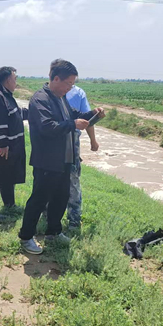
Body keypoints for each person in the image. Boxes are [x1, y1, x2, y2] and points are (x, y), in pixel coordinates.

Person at [19, 59, 104, 254]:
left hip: (64, 159)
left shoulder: (61, 98)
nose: (70, 88)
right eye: (69, 83)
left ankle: (54, 232)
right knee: (39, 199)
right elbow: (47, 127)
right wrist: (73, 124)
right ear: (56, 78)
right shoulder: (40, 99)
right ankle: (26, 237)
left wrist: (94, 114)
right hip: (47, 160)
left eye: (72, 84)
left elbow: (75, 115)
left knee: (60, 197)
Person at [0, 66, 28, 217]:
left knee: (9, 175)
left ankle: (9, 205)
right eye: (15, 79)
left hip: (13, 145)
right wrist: (3, 144)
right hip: (4, 146)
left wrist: (33, 112)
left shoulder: (7, 95)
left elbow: (17, 114)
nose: (16, 82)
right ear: (8, 80)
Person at [65, 85, 99, 229]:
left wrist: (93, 140)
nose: (68, 85)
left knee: (73, 180)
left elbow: (87, 120)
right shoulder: (49, 94)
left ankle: (74, 219)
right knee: (53, 178)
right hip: (55, 140)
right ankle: (49, 216)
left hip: (72, 140)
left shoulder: (78, 93)